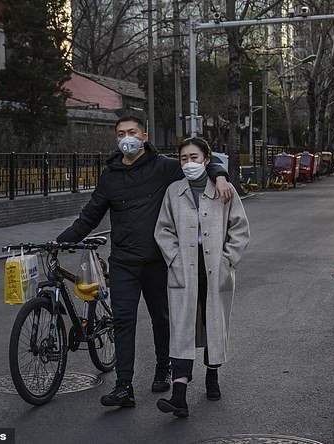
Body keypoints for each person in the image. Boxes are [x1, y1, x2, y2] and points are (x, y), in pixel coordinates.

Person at [57, 116, 233, 408]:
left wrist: (221, 175)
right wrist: (61, 241)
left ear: (144, 135)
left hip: (158, 261)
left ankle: (163, 367)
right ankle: (124, 386)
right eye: (121, 134)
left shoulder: (163, 167)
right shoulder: (110, 174)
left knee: (162, 318)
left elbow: (198, 165)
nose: (127, 137)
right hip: (124, 261)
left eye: (132, 132)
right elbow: (90, 215)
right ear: (116, 139)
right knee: (122, 320)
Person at [154, 137, 250, 418]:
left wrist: (227, 260)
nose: (189, 164)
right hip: (184, 266)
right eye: (184, 159)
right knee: (182, 325)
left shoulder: (224, 189)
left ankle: (212, 374)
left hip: (213, 266)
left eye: (194, 158)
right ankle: (179, 395)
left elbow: (240, 230)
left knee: (212, 323)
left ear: (207, 159)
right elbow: (163, 230)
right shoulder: (174, 192)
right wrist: (173, 259)